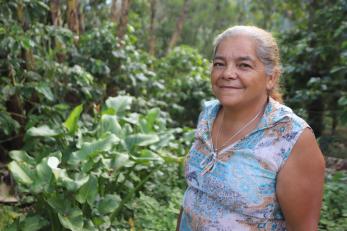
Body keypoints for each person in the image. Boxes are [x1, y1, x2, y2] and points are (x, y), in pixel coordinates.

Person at [177, 26, 325, 231]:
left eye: (244, 65)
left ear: (271, 77)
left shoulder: (292, 138)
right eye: (219, 64)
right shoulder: (208, 114)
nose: (227, 73)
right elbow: (193, 194)